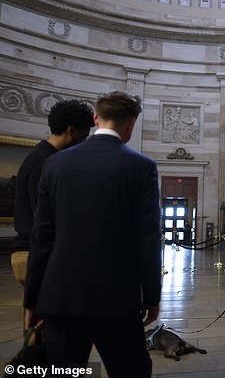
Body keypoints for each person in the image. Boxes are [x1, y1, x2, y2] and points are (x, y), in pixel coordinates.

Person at [23, 91, 161, 377]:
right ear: (131, 123)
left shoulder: (55, 163)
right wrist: (151, 295)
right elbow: (147, 238)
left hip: (60, 295)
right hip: (116, 297)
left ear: (96, 118)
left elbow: (42, 238)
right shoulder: (141, 167)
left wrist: (32, 298)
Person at [11, 99, 94, 285]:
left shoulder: (47, 158)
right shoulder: (43, 162)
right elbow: (43, 217)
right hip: (38, 253)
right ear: (70, 131)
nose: (84, 141)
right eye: (84, 135)